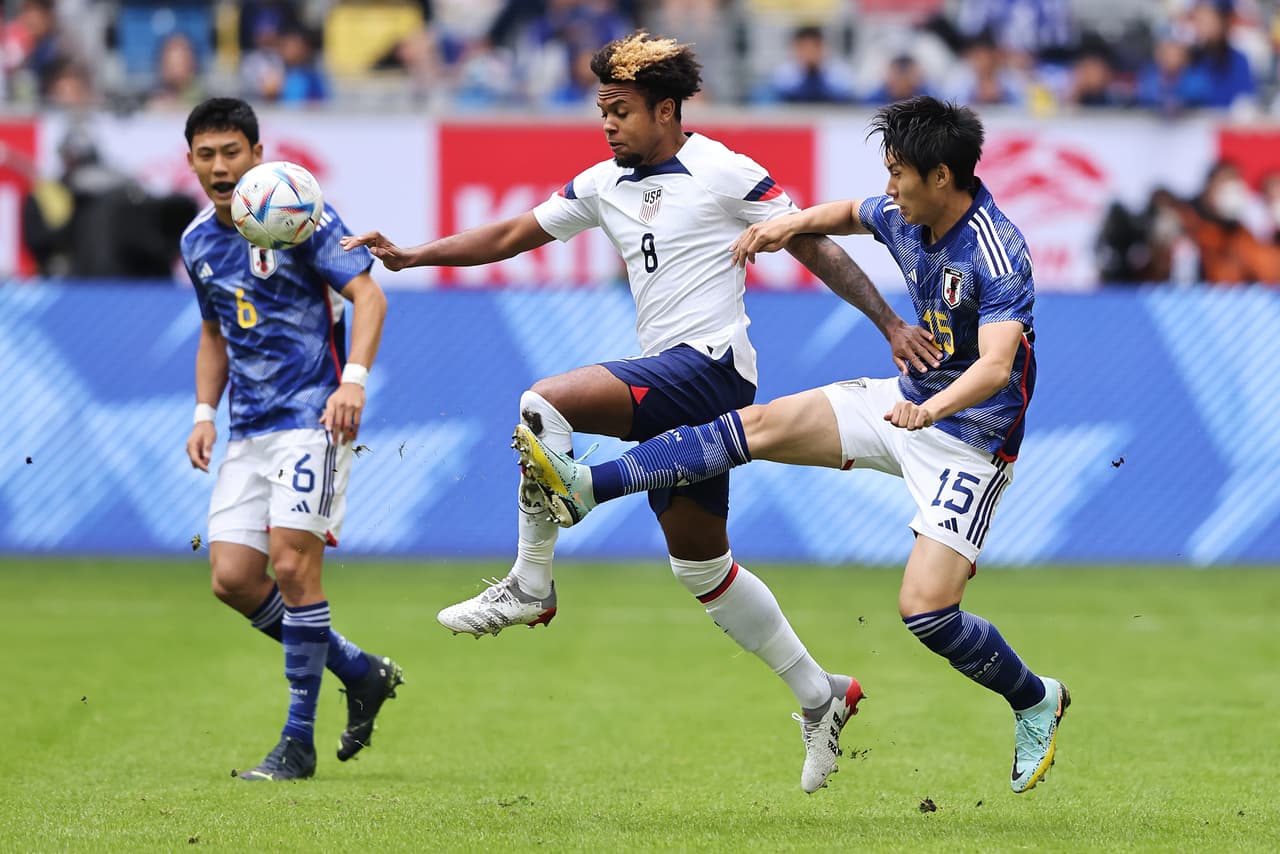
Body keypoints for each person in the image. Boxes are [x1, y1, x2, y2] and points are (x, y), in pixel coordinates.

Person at [342, 32, 939, 793]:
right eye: (602, 112)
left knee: (542, 403)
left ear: (666, 110)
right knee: (701, 567)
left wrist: (889, 325)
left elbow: (812, 241)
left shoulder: (723, 170)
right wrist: (416, 255)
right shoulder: (603, 182)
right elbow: (511, 233)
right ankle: (821, 695)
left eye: (621, 111)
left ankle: (530, 581)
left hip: (712, 372)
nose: (608, 126)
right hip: (668, 377)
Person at [516, 95, 1071, 794]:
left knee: (926, 611)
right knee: (760, 426)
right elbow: (845, 213)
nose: (890, 186)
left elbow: (994, 367)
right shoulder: (907, 211)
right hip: (903, 404)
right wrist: (783, 227)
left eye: (900, 173)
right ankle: (586, 487)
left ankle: (1035, 699)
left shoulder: (997, 252)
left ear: (942, 176)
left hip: (968, 440)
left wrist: (930, 411)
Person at [180, 97, 402, 782]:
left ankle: (297, 743)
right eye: (206, 155)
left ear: (255, 153)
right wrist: (202, 412)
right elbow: (215, 331)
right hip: (247, 429)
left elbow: (369, 296)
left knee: (293, 568)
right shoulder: (197, 243)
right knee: (232, 579)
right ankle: (359, 671)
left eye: (231, 152)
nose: (220, 167)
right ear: (191, 161)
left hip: (314, 417)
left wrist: (354, 381)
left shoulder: (299, 214)